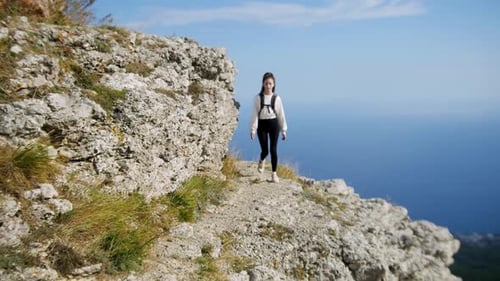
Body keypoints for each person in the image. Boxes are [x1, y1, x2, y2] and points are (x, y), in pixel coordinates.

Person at [250, 72, 287, 183]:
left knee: (273, 149)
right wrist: (253, 129)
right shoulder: (258, 98)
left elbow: (281, 114)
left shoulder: (277, 98)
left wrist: (283, 130)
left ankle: (274, 174)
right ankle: (262, 160)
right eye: (266, 83)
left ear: (274, 84)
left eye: (270, 83)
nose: (268, 85)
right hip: (262, 125)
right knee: (265, 151)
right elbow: (254, 114)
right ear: (263, 84)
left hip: (274, 124)